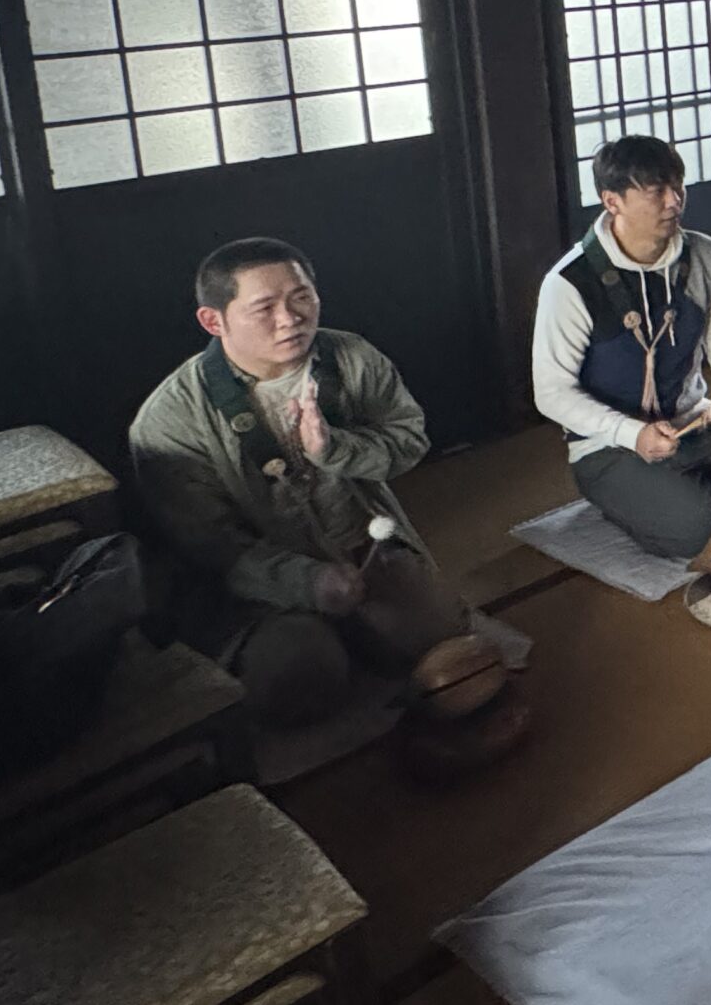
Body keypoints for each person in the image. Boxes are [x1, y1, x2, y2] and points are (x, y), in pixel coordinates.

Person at [130, 238, 468, 728]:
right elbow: (210, 544)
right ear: (214, 321)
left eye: (302, 297)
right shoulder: (169, 420)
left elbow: (409, 440)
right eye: (264, 307)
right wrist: (308, 582)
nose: (290, 319)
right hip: (256, 589)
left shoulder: (350, 357)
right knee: (298, 680)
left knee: (439, 640)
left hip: (360, 549)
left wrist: (336, 450)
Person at [533, 135, 711, 560]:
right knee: (703, 530)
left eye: (677, 186)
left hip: (696, 425)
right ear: (612, 201)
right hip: (609, 447)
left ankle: (688, 493)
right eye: (655, 192)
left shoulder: (704, 255)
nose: (674, 202)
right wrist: (631, 433)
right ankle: (644, 499)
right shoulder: (569, 283)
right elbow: (551, 393)